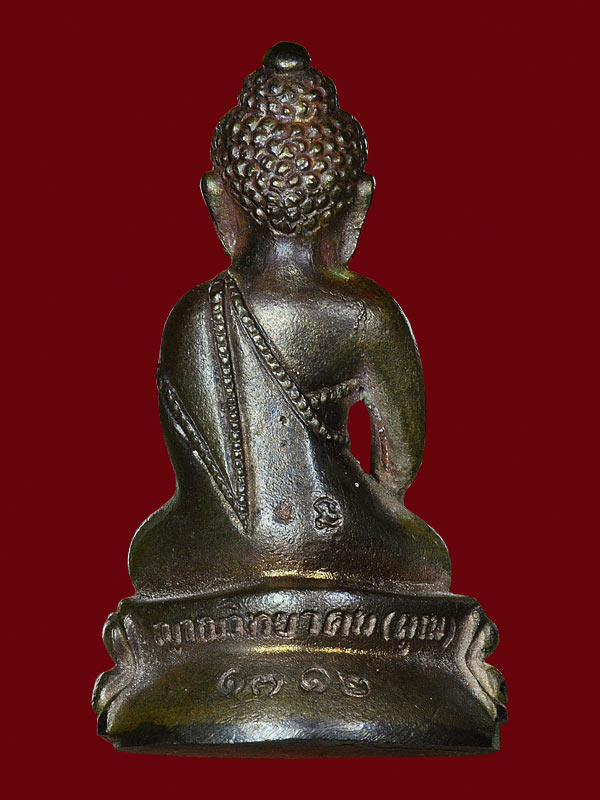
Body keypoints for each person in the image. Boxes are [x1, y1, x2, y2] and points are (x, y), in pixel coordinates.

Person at [128, 42, 451, 599]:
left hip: (210, 555)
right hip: (339, 539)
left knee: (150, 550)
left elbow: (192, 480)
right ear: (359, 204)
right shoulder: (364, 312)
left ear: (218, 201)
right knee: (426, 555)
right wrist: (368, 510)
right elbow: (399, 466)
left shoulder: (189, 317)